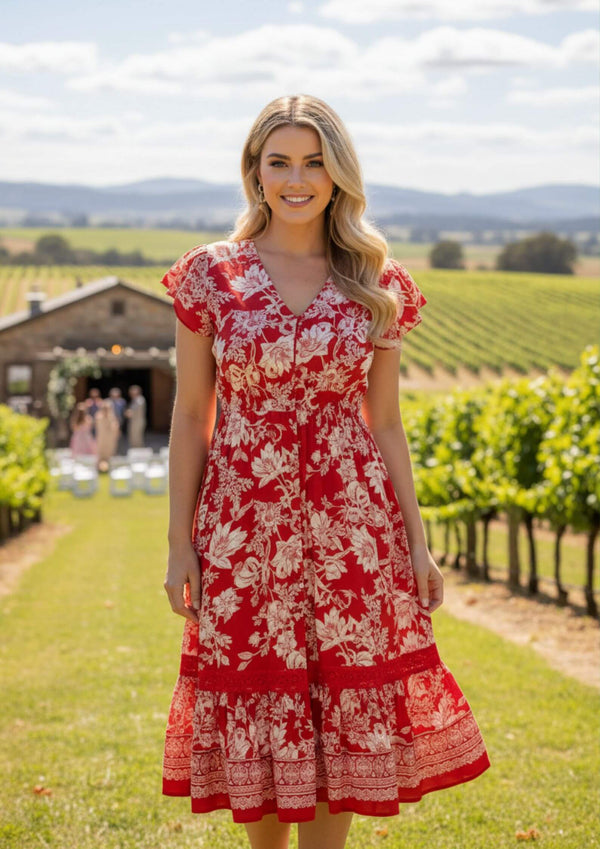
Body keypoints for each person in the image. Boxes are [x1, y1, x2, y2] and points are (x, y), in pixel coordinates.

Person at [161, 94, 490, 849]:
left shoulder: (376, 279)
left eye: (315, 161)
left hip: (353, 530)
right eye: (280, 161)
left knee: (339, 715)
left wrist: (417, 541)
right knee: (263, 704)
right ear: (255, 172)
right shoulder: (211, 277)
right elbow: (189, 417)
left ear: (339, 174)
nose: (298, 178)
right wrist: (180, 544)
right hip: (242, 531)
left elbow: (384, 423)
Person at [95, 399, 120, 472]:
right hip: (102, 439)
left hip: (110, 439)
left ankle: (109, 469)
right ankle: (99, 469)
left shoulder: (112, 417)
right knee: (101, 455)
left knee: (110, 454)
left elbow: (115, 429)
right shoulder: (99, 416)